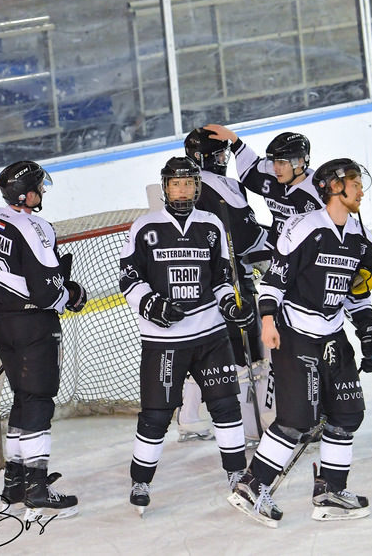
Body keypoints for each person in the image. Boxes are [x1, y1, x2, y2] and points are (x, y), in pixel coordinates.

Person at [227, 158, 372, 527]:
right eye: (353, 182)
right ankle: (252, 486)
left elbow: (357, 293)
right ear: (333, 187)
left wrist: (369, 330)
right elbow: (274, 282)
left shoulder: (363, 239)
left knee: (348, 414)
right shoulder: (305, 228)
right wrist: (267, 320)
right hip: (294, 333)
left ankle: (331, 490)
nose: (361, 189)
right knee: (298, 419)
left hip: (332, 335)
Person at [118, 156, 251, 513]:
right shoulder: (145, 227)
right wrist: (152, 306)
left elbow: (222, 278)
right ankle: (141, 480)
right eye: (176, 184)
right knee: (157, 414)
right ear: (165, 188)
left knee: (226, 405)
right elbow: (129, 279)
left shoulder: (210, 225)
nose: (183, 189)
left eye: (189, 183)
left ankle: (237, 474)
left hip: (210, 335)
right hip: (164, 341)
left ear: (197, 187)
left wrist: (231, 305)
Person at [0, 160, 86, 519]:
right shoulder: (35, 225)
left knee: (23, 397)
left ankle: (14, 481)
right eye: (39, 186)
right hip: (31, 324)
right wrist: (72, 295)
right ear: (26, 192)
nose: (42, 192)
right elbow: (45, 289)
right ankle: (37, 488)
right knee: (38, 399)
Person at [183, 127, 274, 443]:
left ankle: (189, 418)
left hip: (221, 281)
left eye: (225, 154)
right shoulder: (203, 188)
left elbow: (246, 231)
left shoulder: (223, 185)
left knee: (209, 348)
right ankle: (252, 426)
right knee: (245, 352)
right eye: (217, 155)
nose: (223, 160)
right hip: (225, 283)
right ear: (200, 158)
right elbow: (240, 236)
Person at [204, 124, 322, 247]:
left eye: (281, 163)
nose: (275, 168)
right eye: (274, 161)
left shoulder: (318, 195)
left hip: (302, 256)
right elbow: (250, 169)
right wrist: (234, 140)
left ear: (300, 162)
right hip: (273, 247)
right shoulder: (270, 176)